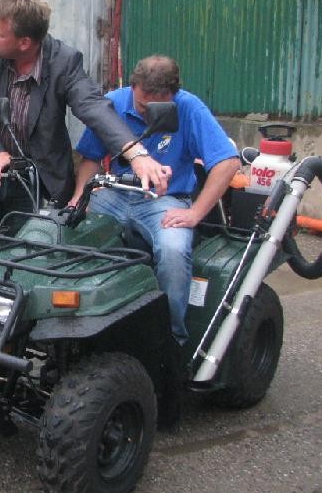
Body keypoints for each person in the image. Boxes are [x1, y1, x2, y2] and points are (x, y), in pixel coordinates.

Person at [0, 0, 170, 228]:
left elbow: (93, 106)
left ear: (24, 43)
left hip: (32, 179)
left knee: (29, 249)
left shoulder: (64, 62)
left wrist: (136, 154)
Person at [70, 55, 240, 344]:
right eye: (141, 106)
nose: (147, 113)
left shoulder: (189, 108)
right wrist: (78, 198)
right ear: (133, 86)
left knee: (174, 251)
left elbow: (228, 162)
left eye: (156, 108)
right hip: (116, 193)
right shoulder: (114, 102)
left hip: (165, 200)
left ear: (172, 95)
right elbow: (90, 158)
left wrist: (196, 213)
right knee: (67, 231)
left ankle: (171, 339)